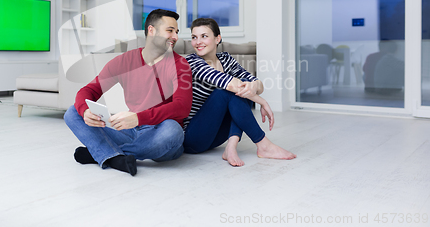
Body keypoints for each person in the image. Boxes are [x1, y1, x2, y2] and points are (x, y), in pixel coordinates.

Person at [64, 9, 192, 176]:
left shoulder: (180, 64)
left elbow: (182, 107)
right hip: (129, 130)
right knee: (72, 112)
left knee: (173, 132)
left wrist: (138, 118)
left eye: (176, 32)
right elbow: (89, 90)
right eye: (170, 30)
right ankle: (113, 156)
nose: (175, 37)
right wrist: (85, 111)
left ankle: (103, 153)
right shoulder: (125, 61)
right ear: (151, 30)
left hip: (159, 133)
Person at [183, 18, 296, 167]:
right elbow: (228, 83)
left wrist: (254, 86)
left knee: (245, 85)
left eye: (204, 36)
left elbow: (256, 83)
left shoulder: (226, 59)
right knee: (227, 91)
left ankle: (231, 147)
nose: (198, 42)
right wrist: (262, 101)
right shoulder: (192, 62)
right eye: (194, 37)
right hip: (193, 138)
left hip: (215, 137)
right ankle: (264, 145)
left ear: (218, 38)